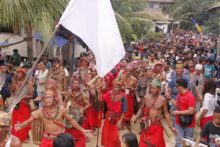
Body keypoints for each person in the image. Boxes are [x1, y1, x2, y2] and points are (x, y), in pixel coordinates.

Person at [14, 90, 91, 147]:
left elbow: (71, 120)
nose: (48, 99)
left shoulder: (61, 109)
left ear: (54, 99)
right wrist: (22, 125)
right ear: (43, 100)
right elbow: (30, 120)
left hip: (60, 141)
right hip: (46, 140)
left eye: (50, 97)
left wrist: (82, 130)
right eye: (46, 98)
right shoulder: (40, 112)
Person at [134, 78, 176, 147]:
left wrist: (171, 126)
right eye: (151, 88)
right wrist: (136, 117)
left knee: (156, 144)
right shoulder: (146, 97)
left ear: (159, 89)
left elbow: (166, 113)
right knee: (144, 144)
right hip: (147, 125)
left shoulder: (163, 99)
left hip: (157, 125)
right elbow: (141, 109)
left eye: (154, 88)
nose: (152, 90)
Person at [10, 68, 33, 147]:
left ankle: (22, 138)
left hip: (24, 106)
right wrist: (14, 93)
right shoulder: (14, 82)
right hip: (16, 106)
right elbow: (12, 93)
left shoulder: (28, 83)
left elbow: (31, 95)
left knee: (23, 122)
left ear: (23, 74)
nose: (18, 74)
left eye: (20, 73)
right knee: (15, 122)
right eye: (17, 72)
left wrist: (24, 97)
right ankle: (16, 139)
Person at [101, 80, 127, 147]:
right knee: (106, 134)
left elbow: (124, 110)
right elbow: (101, 99)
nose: (115, 89)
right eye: (114, 87)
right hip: (108, 116)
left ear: (120, 87)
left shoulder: (123, 96)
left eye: (117, 87)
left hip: (117, 118)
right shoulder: (109, 93)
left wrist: (120, 121)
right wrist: (99, 91)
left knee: (115, 136)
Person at [172, 79, 196, 147]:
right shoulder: (179, 95)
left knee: (187, 143)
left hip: (189, 123)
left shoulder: (190, 96)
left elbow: (191, 111)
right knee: (178, 142)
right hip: (178, 122)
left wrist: (178, 112)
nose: (175, 87)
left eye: (176, 86)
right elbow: (177, 106)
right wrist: (170, 99)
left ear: (181, 86)